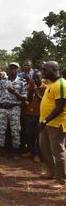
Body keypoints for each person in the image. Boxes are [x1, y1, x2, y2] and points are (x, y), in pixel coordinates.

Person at [38, 61, 66, 189]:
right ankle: (52, 171)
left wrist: (45, 121)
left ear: (54, 69)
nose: (43, 71)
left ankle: (61, 180)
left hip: (56, 124)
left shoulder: (61, 85)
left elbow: (59, 107)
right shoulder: (51, 83)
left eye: (45, 69)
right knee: (45, 148)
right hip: (46, 123)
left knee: (58, 152)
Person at [0, 62, 27, 158]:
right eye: (11, 68)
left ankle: (16, 151)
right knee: (1, 130)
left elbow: (24, 98)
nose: (13, 70)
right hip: (3, 108)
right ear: (8, 70)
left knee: (15, 131)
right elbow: (0, 94)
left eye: (15, 68)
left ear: (18, 70)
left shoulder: (22, 82)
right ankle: (0, 149)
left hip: (14, 108)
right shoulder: (3, 80)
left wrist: (14, 92)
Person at [22, 70, 45, 163]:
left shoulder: (45, 87)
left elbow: (43, 101)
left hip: (40, 115)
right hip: (30, 114)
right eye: (34, 77)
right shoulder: (30, 87)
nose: (35, 79)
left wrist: (36, 91)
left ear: (41, 78)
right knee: (29, 135)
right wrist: (31, 90)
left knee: (38, 137)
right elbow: (28, 100)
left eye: (37, 77)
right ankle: (31, 152)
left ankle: (38, 155)